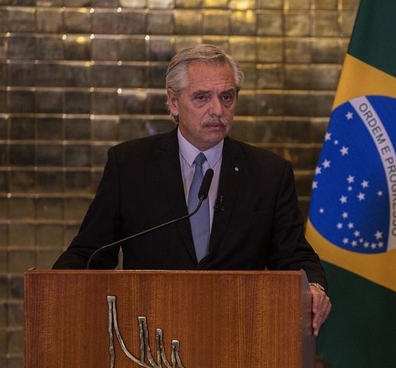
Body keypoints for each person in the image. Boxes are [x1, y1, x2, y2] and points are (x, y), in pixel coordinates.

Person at [54, 44, 332, 335]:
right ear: (173, 102)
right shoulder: (130, 165)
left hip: (239, 335)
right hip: (150, 334)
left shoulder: (269, 173)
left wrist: (313, 286)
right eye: (202, 97)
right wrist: (55, 286)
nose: (218, 110)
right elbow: (92, 252)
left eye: (227, 97)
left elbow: (294, 256)